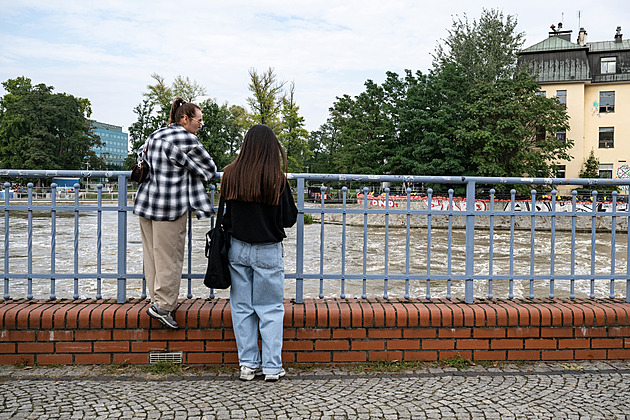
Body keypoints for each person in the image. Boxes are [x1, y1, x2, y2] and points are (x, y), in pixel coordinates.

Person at [221, 124, 297, 382]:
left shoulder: (231, 174)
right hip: (268, 250)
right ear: (270, 147)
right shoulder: (277, 177)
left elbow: (226, 217)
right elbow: (289, 219)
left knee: (242, 307)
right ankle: (273, 368)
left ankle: (247, 365)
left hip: (238, 247)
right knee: (271, 309)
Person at [134, 97, 216, 329]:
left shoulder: (155, 135)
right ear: (185, 118)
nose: (201, 125)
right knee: (170, 257)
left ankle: (155, 300)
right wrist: (190, 168)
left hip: (146, 204)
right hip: (170, 207)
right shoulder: (186, 139)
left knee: (152, 256)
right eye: (198, 120)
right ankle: (164, 307)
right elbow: (209, 169)